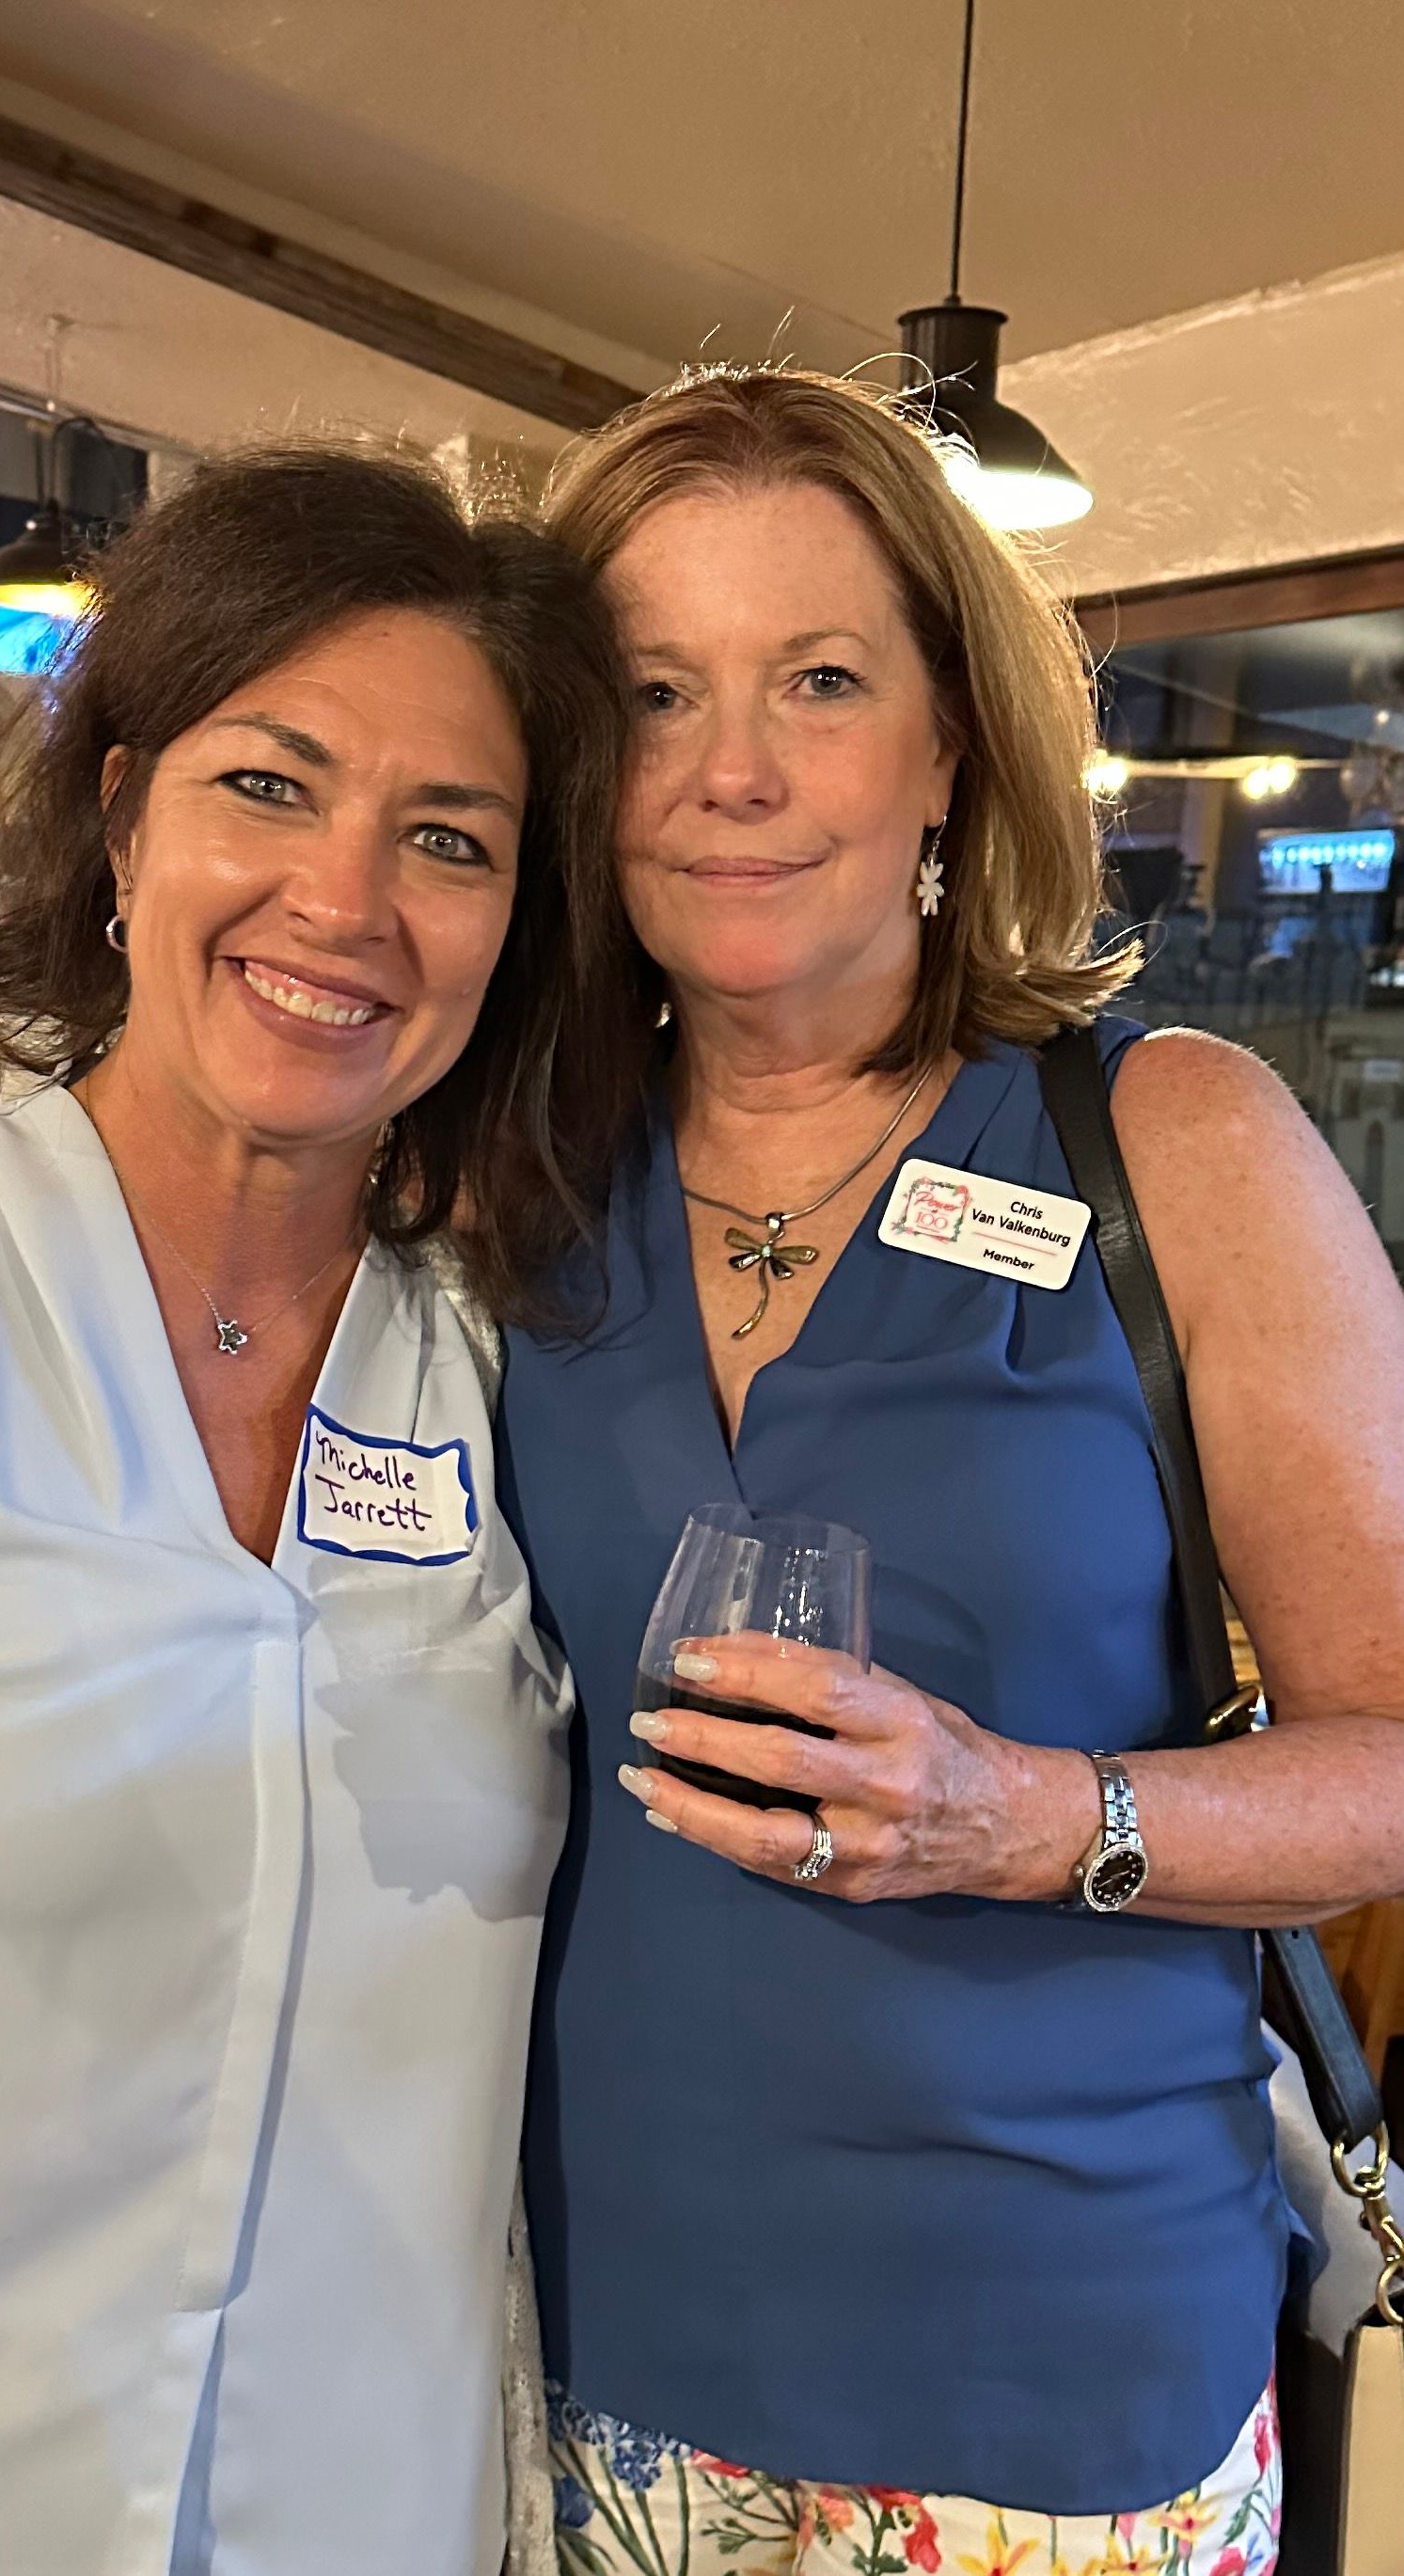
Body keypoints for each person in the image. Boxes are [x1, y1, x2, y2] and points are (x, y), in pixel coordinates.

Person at [0, 442, 628, 2574]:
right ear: (130, 798)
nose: (346, 901)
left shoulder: (529, 1375)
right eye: (272, 781)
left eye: (447, 835)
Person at [497, 368, 1404, 2574]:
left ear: (947, 748)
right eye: (654, 692)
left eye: (820, 677)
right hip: (588, 2375)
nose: (732, 768)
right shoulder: (515, 1177)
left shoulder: (1167, 1138)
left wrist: (1027, 1815)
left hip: (1053, 2390)